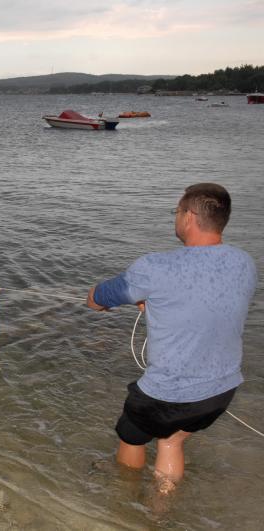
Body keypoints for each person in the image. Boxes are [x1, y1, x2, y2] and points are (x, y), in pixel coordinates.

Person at [86, 183, 257, 492]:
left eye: (177, 212)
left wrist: (138, 297)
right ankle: (162, 505)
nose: (175, 218)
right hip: (221, 391)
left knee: (131, 434)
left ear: (189, 217)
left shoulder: (155, 267)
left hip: (167, 395)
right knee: (171, 440)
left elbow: (96, 299)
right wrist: (156, 302)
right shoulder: (244, 262)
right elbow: (204, 300)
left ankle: (125, 501)